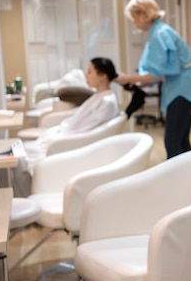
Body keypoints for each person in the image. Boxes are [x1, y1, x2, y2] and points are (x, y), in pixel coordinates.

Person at [13, 57, 120, 196]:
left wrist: (58, 138)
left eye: (90, 72)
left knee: (19, 158)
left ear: (102, 76)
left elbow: (85, 131)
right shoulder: (98, 96)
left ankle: (27, 200)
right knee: (18, 150)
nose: (86, 76)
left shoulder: (107, 102)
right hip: (64, 137)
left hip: (70, 144)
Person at [116, 0, 191, 159]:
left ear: (143, 14)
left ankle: (177, 181)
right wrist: (137, 83)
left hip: (182, 88)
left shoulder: (158, 34)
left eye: (134, 17)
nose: (134, 22)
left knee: (173, 142)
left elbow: (157, 74)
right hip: (184, 85)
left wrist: (129, 79)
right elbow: (159, 72)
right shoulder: (159, 31)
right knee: (181, 141)